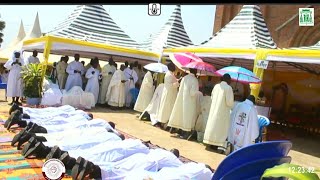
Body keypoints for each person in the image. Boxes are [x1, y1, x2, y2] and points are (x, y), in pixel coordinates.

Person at [203, 74, 234, 148]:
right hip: (222, 112)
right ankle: (216, 144)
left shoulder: (216, 86)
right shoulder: (228, 88)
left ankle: (209, 142)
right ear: (228, 80)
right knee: (219, 128)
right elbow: (229, 103)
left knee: (212, 125)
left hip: (214, 110)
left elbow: (212, 97)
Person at [167, 68, 199, 139]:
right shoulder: (195, 80)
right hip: (189, 102)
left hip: (182, 100)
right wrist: (198, 91)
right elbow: (192, 93)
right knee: (188, 117)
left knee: (182, 115)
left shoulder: (184, 78)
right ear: (195, 71)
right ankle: (186, 133)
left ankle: (180, 131)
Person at [157, 63, 179, 128]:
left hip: (171, 94)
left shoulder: (171, 74)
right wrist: (178, 83)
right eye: (173, 66)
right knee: (166, 108)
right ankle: (161, 122)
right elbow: (170, 86)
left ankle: (165, 123)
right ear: (170, 67)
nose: (175, 67)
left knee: (168, 108)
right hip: (168, 94)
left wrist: (177, 80)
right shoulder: (169, 75)